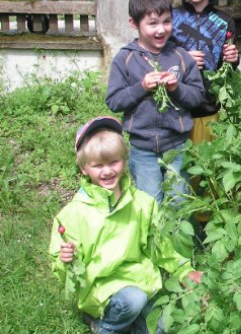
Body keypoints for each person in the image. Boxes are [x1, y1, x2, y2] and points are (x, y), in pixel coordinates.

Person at [49, 116, 202, 334]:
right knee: (133, 299)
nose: (107, 171)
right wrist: (65, 260)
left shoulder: (142, 203)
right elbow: (65, 268)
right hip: (101, 287)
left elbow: (160, 246)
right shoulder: (74, 214)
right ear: (84, 168)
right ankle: (104, 326)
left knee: (161, 327)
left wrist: (184, 270)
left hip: (140, 281)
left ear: (124, 159)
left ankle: (128, 321)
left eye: (113, 162)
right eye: (97, 165)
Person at [105, 0, 205, 203]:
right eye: (152, 23)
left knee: (180, 201)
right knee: (150, 202)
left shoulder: (181, 57)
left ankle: (180, 237)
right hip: (143, 149)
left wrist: (176, 88)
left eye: (166, 21)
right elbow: (114, 101)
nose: (161, 30)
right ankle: (153, 237)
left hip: (177, 145)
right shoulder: (126, 59)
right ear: (134, 23)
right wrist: (141, 87)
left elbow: (197, 97)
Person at [171, 0, 239, 144]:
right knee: (175, 166)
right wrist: (182, 59)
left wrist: (234, 59)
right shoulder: (169, 18)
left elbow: (229, 70)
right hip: (175, 109)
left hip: (208, 111)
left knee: (205, 167)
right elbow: (157, 57)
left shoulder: (226, 21)